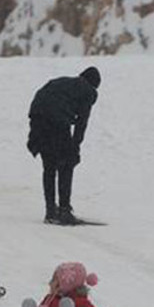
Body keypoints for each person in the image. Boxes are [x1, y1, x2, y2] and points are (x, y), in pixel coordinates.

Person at [27, 67, 101, 225]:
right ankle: (64, 211)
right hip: (56, 121)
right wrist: (75, 147)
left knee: (49, 166)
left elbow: (42, 98)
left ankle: (51, 212)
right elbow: (82, 123)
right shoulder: (88, 91)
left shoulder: (64, 83)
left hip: (38, 118)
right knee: (66, 164)